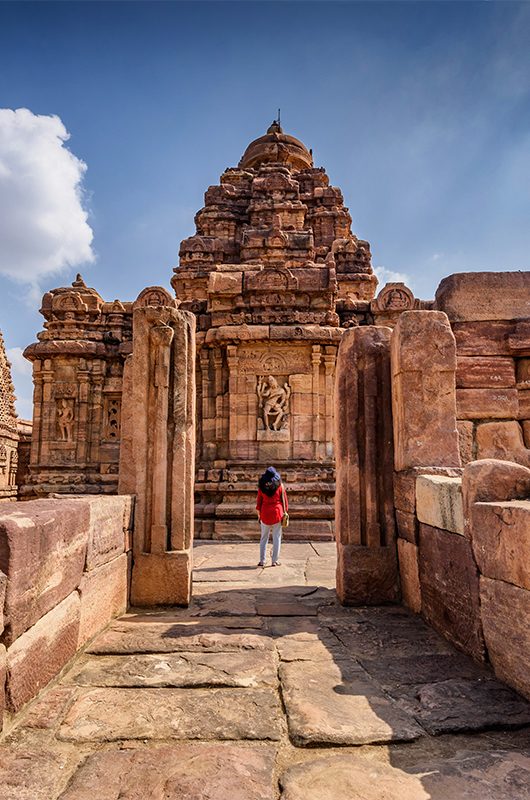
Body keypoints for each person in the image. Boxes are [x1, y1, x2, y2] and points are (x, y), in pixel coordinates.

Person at [256, 466, 288, 567]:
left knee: (263, 538)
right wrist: (285, 512)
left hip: (265, 514)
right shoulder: (280, 486)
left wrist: (259, 516)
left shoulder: (262, 487)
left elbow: (258, 504)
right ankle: (274, 561)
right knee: (277, 537)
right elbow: (285, 502)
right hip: (277, 513)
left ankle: (262, 560)